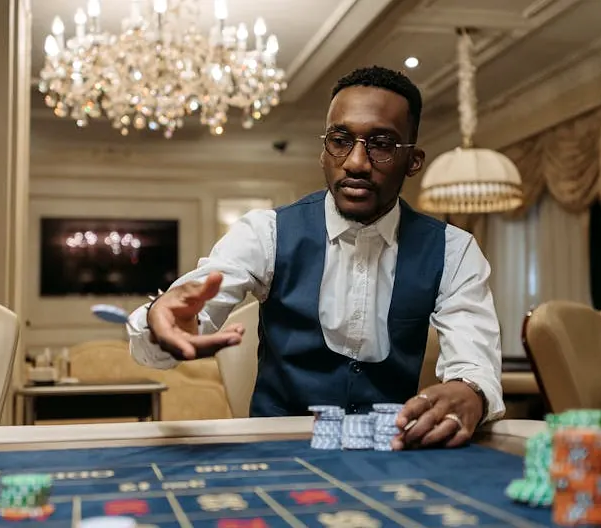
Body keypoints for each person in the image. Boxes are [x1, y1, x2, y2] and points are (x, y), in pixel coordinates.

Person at [126, 66, 503, 450]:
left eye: (382, 144)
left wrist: (470, 391)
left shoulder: (453, 250)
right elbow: (174, 330)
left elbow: (476, 366)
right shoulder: (265, 232)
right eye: (340, 140)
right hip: (277, 455)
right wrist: (161, 321)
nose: (356, 162)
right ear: (324, 152)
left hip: (392, 453)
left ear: (413, 161)